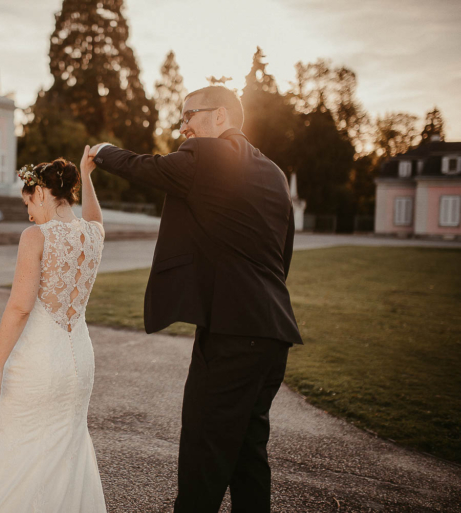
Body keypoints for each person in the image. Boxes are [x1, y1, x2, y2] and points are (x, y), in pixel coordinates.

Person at [89, 85, 303, 513]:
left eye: (189, 115)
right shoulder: (274, 172)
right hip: (273, 333)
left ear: (220, 116)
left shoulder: (206, 157)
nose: (182, 126)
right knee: (247, 454)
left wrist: (101, 150)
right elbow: (284, 252)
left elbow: (141, 166)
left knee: (203, 452)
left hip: (231, 336)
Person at [0, 147, 107, 513]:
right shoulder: (94, 234)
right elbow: (94, 217)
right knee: (67, 448)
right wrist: (88, 176)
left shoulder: (36, 237)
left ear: (39, 193)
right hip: (79, 359)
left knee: (19, 447)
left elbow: (20, 307)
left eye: (28, 205)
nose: (30, 215)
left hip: (39, 360)